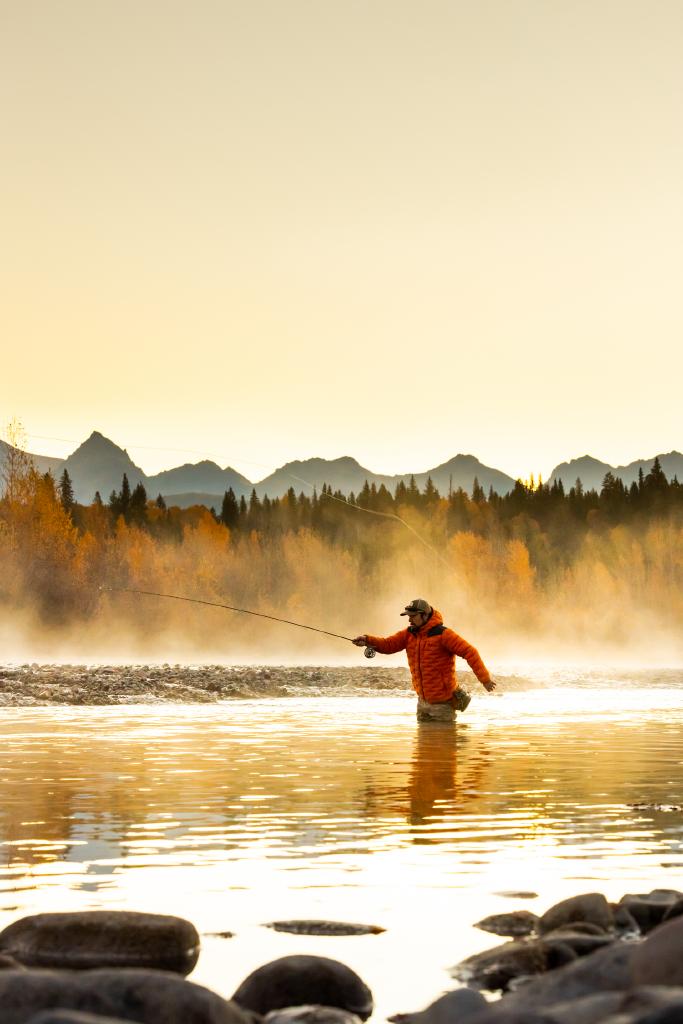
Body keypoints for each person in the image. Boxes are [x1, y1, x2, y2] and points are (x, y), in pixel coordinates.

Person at [353, 598, 496, 722]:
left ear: (424, 615)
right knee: (423, 750)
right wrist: (367, 640)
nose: (409, 620)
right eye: (408, 616)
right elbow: (388, 645)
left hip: (444, 705)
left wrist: (485, 680)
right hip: (422, 702)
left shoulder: (443, 634)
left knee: (442, 749)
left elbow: (470, 652)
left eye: (413, 616)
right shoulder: (409, 634)